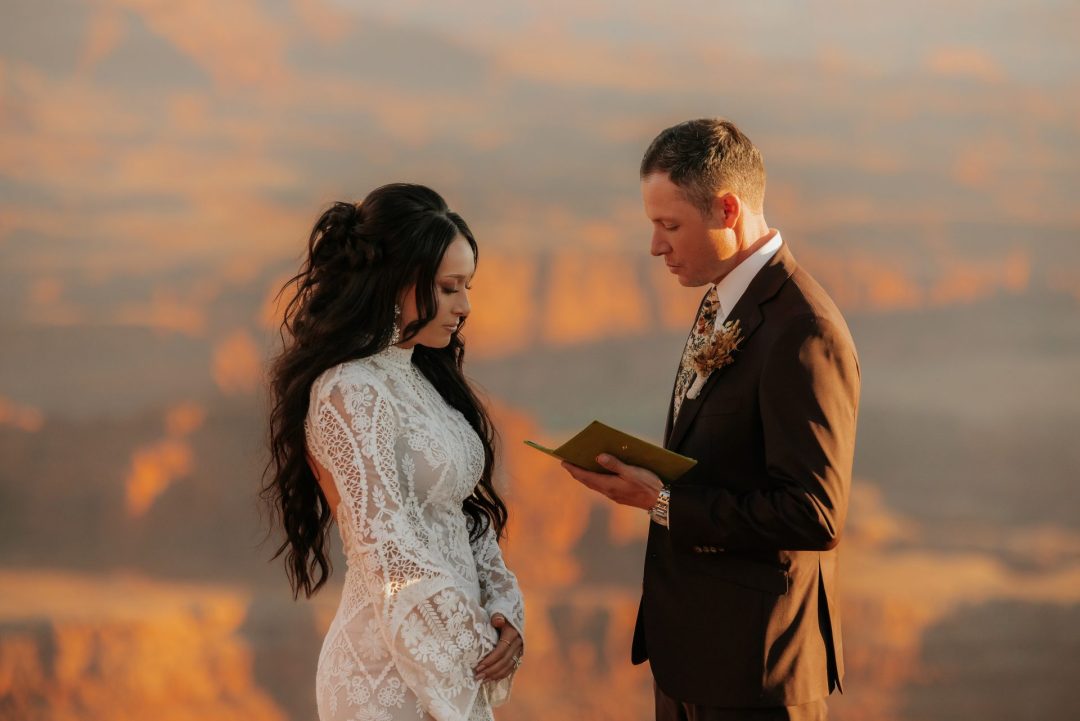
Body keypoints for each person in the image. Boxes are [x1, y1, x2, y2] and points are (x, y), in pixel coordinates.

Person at [560, 119, 860, 720]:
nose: (655, 247)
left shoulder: (802, 329)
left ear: (727, 209)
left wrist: (661, 502)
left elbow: (814, 513)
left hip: (755, 675)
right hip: (694, 661)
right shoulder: (725, 296)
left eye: (670, 226)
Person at [263, 183, 525, 721]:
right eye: (450, 287)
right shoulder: (349, 390)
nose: (466, 305)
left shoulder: (425, 378)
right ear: (399, 283)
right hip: (385, 674)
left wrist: (503, 607)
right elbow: (387, 545)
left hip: (455, 651)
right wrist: (470, 639)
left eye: (468, 286)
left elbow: (460, 515)